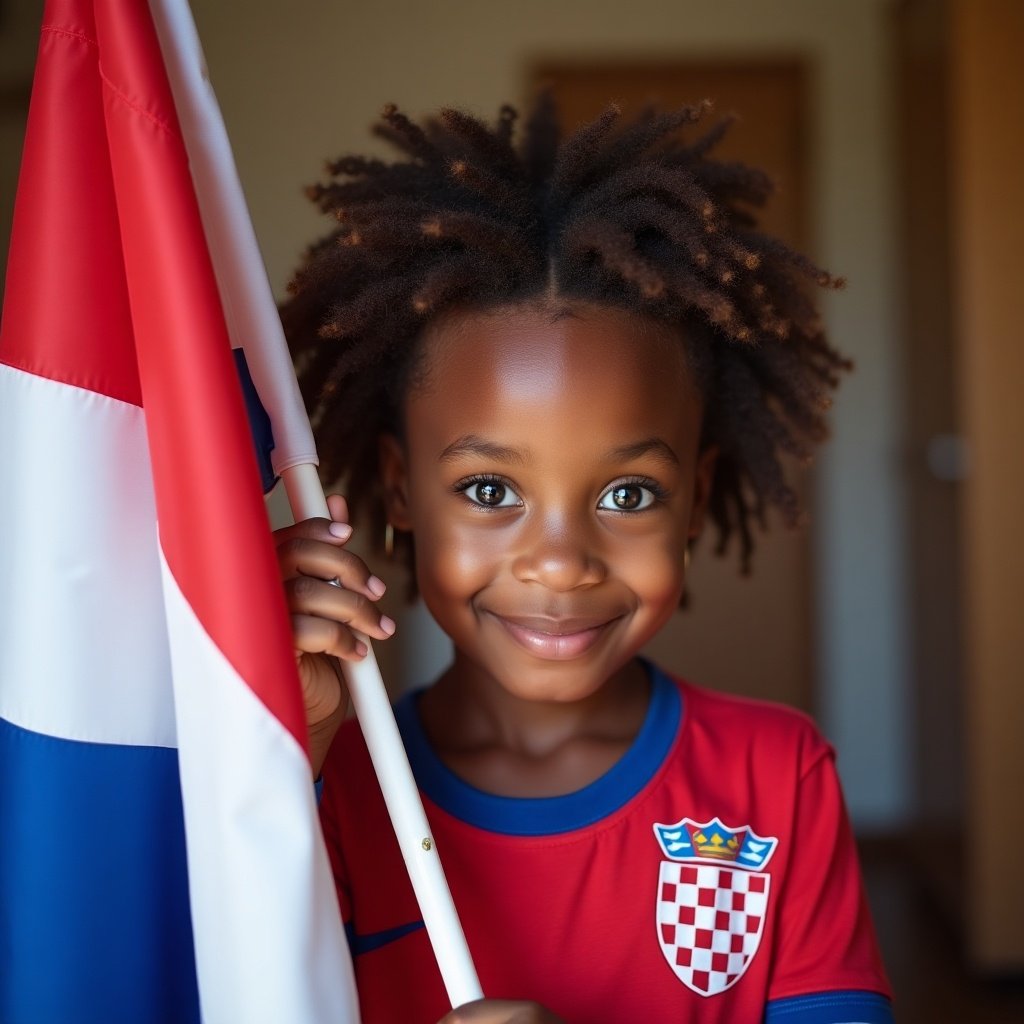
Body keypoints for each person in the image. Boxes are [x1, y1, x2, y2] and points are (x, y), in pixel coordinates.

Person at [273, 96, 893, 1024]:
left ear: (692, 499)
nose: (560, 565)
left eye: (628, 495)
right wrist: (285, 748)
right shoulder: (328, 787)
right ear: (400, 491)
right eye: (490, 491)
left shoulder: (778, 775)